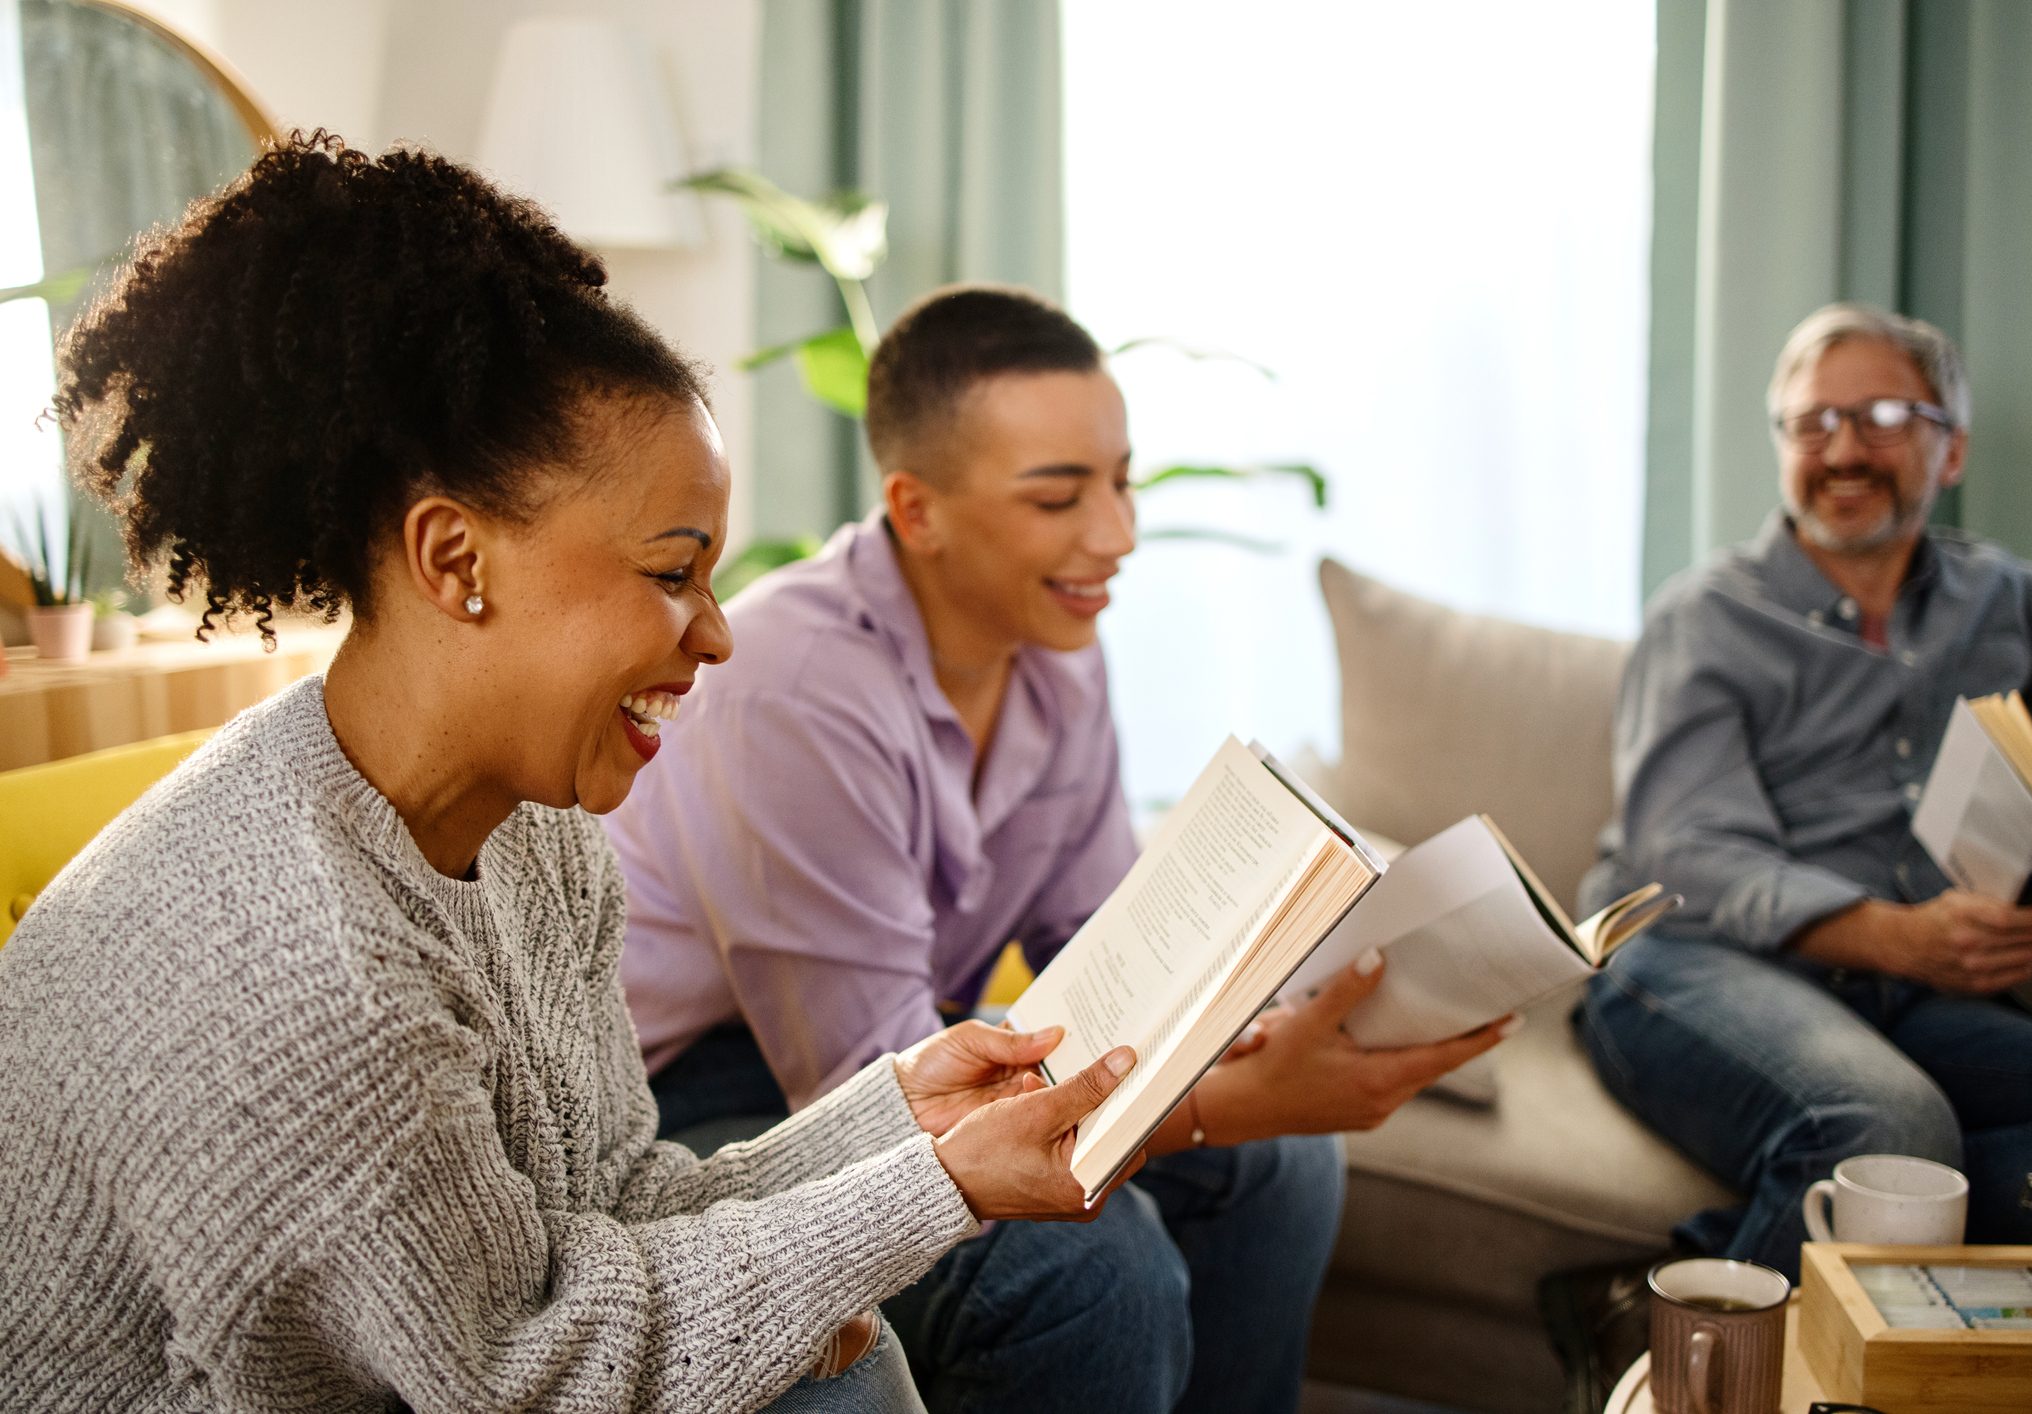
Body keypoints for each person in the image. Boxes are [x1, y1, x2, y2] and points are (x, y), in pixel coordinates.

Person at [0, 135, 1150, 1414]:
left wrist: (897, 1117)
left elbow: (612, 1202)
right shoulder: (308, 963)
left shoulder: (527, 830)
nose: (716, 632)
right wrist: (934, 1189)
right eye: (670, 574)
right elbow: (521, 1373)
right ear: (453, 560)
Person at [605, 284, 1510, 1414]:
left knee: (1281, 1166)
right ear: (914, 507)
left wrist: (1242, 1027)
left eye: (1120, 479)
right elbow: (856, 1086)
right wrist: (1220, 1101)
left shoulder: (1057, 651)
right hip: (701, 1095)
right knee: (1091, 1266)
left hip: (894, 1041)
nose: (1117, 535)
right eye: (1057, 497)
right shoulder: (792, 685)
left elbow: (1100, 945)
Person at [1575, 302, 2032, 1284]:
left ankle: (1721, 1249)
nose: (1841, 448)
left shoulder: (2008, 601)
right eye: (1810, 422)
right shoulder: (1703, 617)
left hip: (1904, 995)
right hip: (1686, 961)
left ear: (1949, 451)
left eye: (1878, 415)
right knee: (1885, 1125)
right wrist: (1897, 935)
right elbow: (1686, 854)